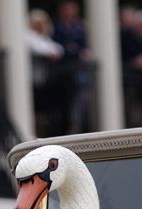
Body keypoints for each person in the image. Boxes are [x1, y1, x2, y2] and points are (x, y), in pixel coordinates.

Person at [52, 1, 92, 134]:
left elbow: (82, 47)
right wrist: (73, 51)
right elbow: (60, 49)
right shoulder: (57, 27)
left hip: (78, 73)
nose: (70, 13)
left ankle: (81, 127)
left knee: (82, 101)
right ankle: (68, 128)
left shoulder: (80, 28)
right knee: (66, 104)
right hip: (64, 74)